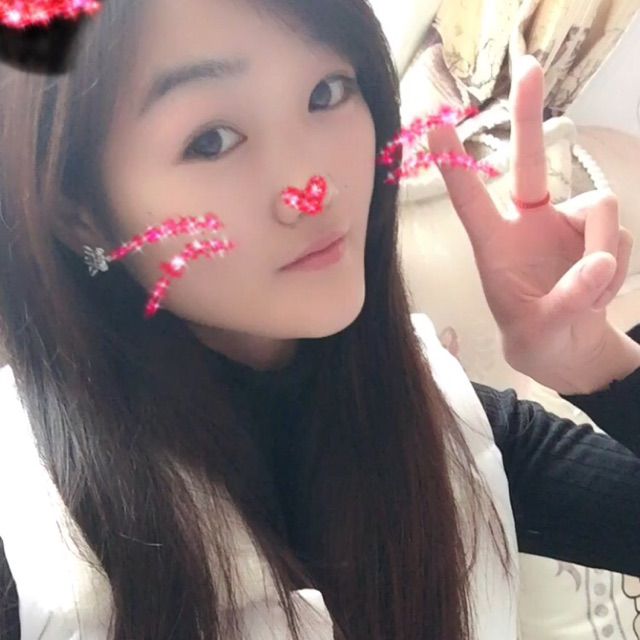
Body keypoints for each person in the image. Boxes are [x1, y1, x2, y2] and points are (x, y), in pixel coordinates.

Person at [0, 1, 638, 639]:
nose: (313, 188)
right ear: (79, 212)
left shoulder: (439, 421)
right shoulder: (28, 535)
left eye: (327, 92)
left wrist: (597, 365)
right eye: (212, 140)